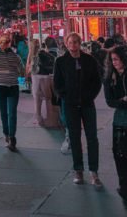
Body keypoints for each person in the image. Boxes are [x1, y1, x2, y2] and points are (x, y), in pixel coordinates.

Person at [53, 31, 102, 187]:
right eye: (70, 42)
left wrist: (89, 97)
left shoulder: (90, 60)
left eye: (75, 42)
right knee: (74, 138)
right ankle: (78, 170)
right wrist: (67, 97)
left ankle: (94, 171)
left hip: (88, 104)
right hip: (70, 105)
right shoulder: (61, 61)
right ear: (66, 44)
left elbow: (97, 82)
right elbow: (58, 83)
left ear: (80, 43)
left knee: (92, 138)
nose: (73, 45)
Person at [0, 32, 25, 151]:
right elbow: (22, 72)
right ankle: (9, 135)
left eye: (4, 42)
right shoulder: (12, 56)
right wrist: (16, 76)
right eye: (2, 42)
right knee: (9, 112)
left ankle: (9, 136)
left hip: (4, 86)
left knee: (7, 112)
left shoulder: (0, 56)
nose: (3, 44)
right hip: (7, 86)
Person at [104, 44, 127, 207]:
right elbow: (110, 101)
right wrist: (123, 100)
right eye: (112, 60)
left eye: (117, 59)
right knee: (119, 155)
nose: (115, 62)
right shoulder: (109, 77)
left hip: (121, 116)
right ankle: (124, 187)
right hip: (120, 119)